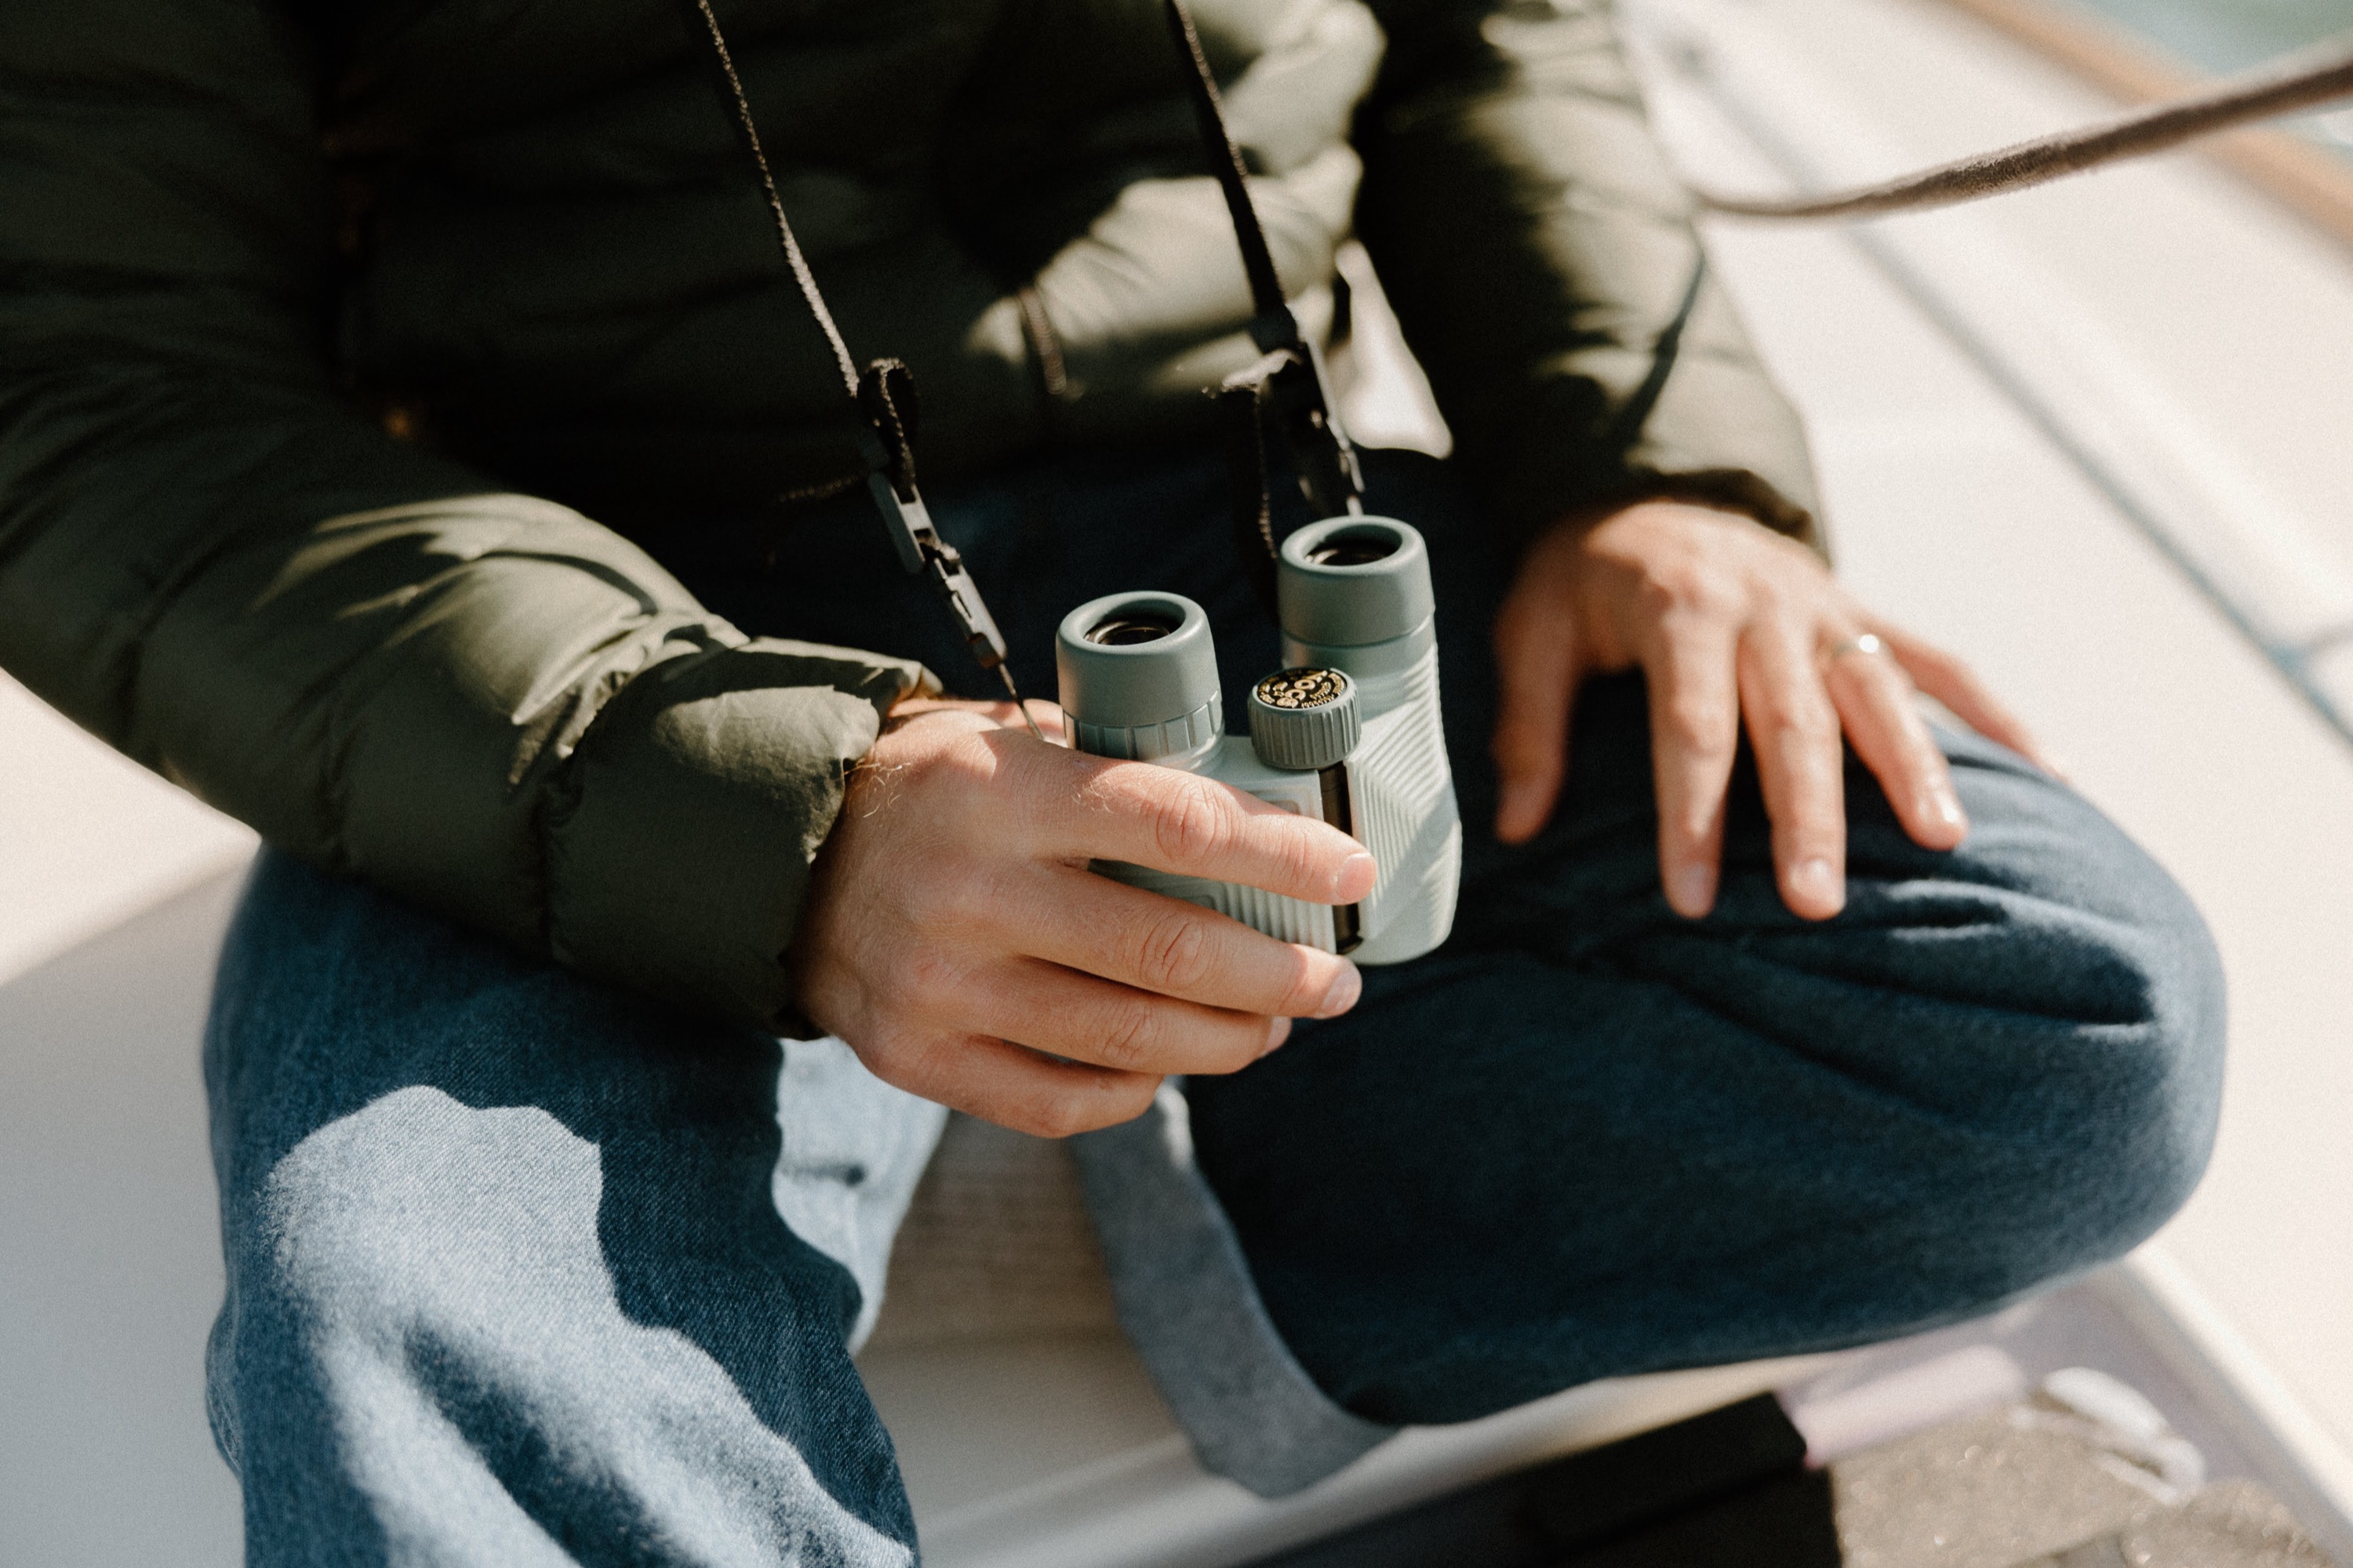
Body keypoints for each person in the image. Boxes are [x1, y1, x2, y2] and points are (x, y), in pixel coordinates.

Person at [0, 0, 2224, 1560]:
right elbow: (94, 387)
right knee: (417, 1329)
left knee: (2065, 1030)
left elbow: (1489, 28)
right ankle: (981, 1080)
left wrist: (1649, 466)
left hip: (1262, 513)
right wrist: (782, 824)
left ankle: (1005, 1124)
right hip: (584, 614)